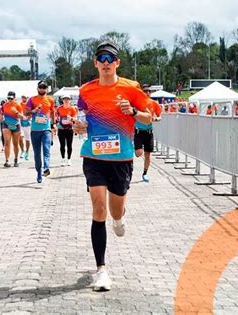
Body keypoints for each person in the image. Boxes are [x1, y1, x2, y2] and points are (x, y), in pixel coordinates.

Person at [73, 41, 152, 291]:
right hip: (94, 157)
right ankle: (101, 271)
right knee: (99, 210)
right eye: (101, 59)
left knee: (115, 212)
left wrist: (132, 113)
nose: (106, 63)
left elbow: (149, 117)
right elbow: (81, 117)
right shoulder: (86, 90)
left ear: (117, 63)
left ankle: (119, 219)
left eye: (111, 59)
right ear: (95, 63)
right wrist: (78, 126)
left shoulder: (131, 88)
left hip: (121, 159)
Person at [26, 80, 56, 183]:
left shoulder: (50, 99)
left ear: (47, 89)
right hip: (35, 130)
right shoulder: (32, 99)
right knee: (37, 153)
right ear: (37, 88)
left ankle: (46, 168)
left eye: (44, 87)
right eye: (41, 87)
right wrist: (33, 111)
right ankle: (38, 172)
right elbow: (26, 112)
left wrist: (54, 124)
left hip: (46, 130)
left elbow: (52, 112)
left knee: (46, 149)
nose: (42, 89)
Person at [134, 84, 162, 182]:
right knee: (138, 153)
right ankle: (136, 150)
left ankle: (145, 173)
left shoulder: (154, 103)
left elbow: (160, 116)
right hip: (138, 131)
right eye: (145, 91)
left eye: (149, 91)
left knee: (148, 154)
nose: (147, 93)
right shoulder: (137, 103)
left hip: (149, 132)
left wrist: (156, 119)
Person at [1, 91, 24, 167]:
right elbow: (0, 113)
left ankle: (16, 159)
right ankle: (7, 160)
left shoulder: (18, 105)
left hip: (16, 125)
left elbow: (22, 117)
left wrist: (16, 112)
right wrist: (1, 116)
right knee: (7, 142)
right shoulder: (4, 105)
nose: (9, 100)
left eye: (11, 98)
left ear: (14, 98)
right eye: (8, 98)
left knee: (15, 143)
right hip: (6, 124)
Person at [56, 94, 77, 166]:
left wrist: (71, 118)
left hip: (69, 129)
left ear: (70, 100)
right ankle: (63, 159)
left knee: (69, 145)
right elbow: (56, 117)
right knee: (62, 145)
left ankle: (69, 159)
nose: (66, 100)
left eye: (67, 99)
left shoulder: (72, 109)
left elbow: (75, 119)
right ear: (62, 100)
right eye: (64, 99)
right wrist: (57, 119)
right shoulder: (59, 108)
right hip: (61, 129)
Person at [19, 94, 31, 161]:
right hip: (21, 122)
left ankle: (27, 152)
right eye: (22, 97)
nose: (24, 99)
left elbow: (32, 113)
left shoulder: (29, 105)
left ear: (27, 98)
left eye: (25, 97)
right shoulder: (19, 104)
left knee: (27, 139)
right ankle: (22, 151)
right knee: (20, 137)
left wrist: (29, 118)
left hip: (28, 123)